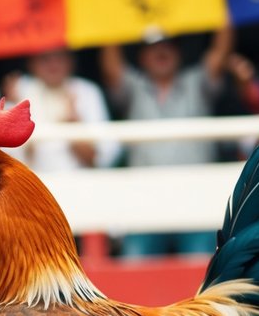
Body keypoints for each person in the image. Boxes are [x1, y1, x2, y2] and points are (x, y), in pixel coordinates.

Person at [100, 26, 234, 259]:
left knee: (202, 278)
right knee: (132, 274)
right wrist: (114, 10)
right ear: (141, 57)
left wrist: (222, 2)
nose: (161, 53)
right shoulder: (133, 87)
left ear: (178, 53)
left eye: (167, 47)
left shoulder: (196, 83)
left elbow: (220, 52)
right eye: (153, 49)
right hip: (144, 207)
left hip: (197, 204)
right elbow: (111, 65)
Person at [1, 48, 119, 172]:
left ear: (71, 61)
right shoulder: (20, 91)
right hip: (35, 184)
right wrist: (17, 122)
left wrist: (74, 128)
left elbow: (100, 161)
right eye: (45, 59)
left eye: (60, 57)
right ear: (32, 63)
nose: (53, 65)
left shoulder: (87, 92)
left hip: (81, 183)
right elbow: (11, 166)